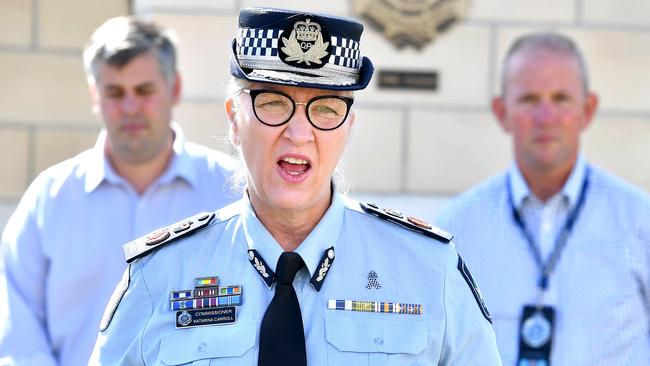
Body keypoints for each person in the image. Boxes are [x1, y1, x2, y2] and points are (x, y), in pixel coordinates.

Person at [89, 7, 502, 365]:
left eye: (325, 108)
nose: (299, 132)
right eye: (272, 102)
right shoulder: (159, 274)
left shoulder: (427, 270)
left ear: (348, 126)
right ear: (234, 118)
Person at [0, 17, 239, 366]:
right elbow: (19, 335)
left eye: (144, 91)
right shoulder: (49, 201)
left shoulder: (230, 190)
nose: (130, 108)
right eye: (115, 92)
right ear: (95, 95)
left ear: (174, 89)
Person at [437, 32, 650, 365]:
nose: (546, 117)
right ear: (501, 112)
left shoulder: (640, 221)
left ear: (588, 109)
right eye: (529, 99)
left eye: (561, 98)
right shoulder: (456, 228)